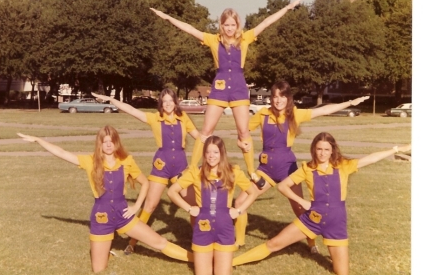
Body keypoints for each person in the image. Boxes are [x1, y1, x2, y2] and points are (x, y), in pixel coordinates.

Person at [150, 0, 304, 184]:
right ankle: (192, 170)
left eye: (232, 24)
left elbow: (266, 22)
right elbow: (190, 29)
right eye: (226, 24)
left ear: (237, 25)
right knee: (206, 130)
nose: (230, 28)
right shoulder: (213, 40)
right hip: (219, 89)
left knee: (243, 132)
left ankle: (251, 172)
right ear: (221, 25)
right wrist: (167, 17)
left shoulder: (245, 38)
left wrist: (287, 8)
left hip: (239, 88)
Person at [17, 126, 193, 273]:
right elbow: (61, 153)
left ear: (116, 143)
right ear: (99, 144)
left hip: (124, 215)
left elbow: (145, 183)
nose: (108, 145)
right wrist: (38, 140)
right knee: (98, 269)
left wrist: (136, 207)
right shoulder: (90, 161)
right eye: (104, 141)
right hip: (101, 218)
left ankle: (198, 259)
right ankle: (106, 251)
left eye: (111, 141)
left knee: (160, 242)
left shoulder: (126, 161)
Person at [232, 132, 411, 274]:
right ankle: (229, 264)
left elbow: (371, 158)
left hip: (336, 224)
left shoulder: (343, 165)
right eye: (319, 149)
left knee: (341, 272)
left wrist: (396, 149)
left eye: (326, 149)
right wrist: (302, 201)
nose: (322, 153)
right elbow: (283, 186)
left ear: (332, 150)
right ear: (314, 150)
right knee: (274, 244)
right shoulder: (307, 169)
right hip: (312, 219)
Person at [234, 80, 370, 251]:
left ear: (288, 98)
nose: (278, 100)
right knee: (240, 201)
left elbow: (323, 110)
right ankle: (238, 242)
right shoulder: (262, 114)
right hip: (266, 169)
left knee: (299, 208)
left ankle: (311, 243)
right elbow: (243, 132)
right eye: (275, 96)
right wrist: (241, 142)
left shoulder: (295, 114)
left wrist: (350, 102)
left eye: (282, 96)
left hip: (287, 169)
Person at [92, 89, 199, 255]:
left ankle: (199, 240)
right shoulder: (154, 118)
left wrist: (209, 149)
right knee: (150, 205)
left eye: (171, 100)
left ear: (176, 102)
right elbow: (131, 110)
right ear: (161, 104)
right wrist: (110, 99)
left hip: (181, 167)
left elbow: (199, 137)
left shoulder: (183, 118)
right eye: (165, 101)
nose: (168, 104)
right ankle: (132, 242)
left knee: (194, 204)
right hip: (161, 166)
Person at [168, 136, 258, 275]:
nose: (211, 156)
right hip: (202, 230)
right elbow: (172, 191)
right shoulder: (195, 172)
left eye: (215, 152)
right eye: (208, 152)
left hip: (225, 230)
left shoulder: (233, 172)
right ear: (204, 154)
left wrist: (239, 210)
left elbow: (252, 192)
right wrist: (189, 208)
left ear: (222, 153)